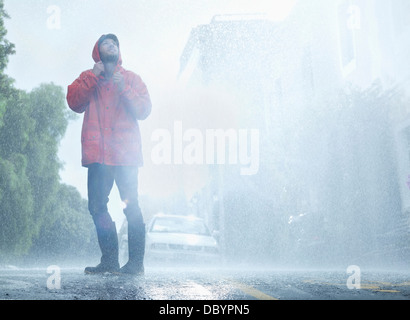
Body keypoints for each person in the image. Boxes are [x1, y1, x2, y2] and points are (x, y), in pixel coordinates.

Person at [67, 34, 152, 275]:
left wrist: (124, 89)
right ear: (97, 50)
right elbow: (74, 103)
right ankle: (110, 261)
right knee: (97, 207)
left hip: (125, 156)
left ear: (119, 51)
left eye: (115, 43)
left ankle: (136, 264)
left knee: (131, 206)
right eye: (106, 42)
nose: (112, 45)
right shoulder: (87, 77)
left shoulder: (131, 79)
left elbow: (144, 109)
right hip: (99, 156)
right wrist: (93, 77)